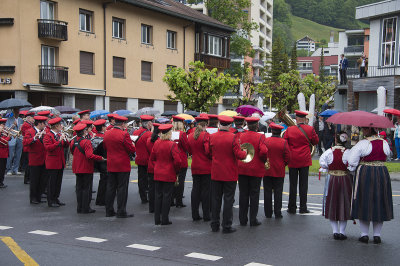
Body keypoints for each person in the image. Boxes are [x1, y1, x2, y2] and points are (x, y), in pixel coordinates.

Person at [347, 127, 393, 244]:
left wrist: (352, 168)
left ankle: (364, 234)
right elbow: (388, 155)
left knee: (364, 201)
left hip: (366, 172)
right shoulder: (384, 142)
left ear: (368, 130)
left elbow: (352, 161)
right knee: (380, 202)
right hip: (382, 172)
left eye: (364, 129)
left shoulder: (363, 143)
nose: (363, 131)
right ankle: (377, 235)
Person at [205, 115, 247, 233]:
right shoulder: (233, 137)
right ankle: (226, 225)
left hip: (216, 172)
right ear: (229, 126)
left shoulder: (212, 137)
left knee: (216, 199)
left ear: (219, 124)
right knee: (228, 200)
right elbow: (239, 155)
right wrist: (245, 152)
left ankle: (214, 224)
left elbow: (208, 153)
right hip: (229, 173)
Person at [284, 110, 319, 214]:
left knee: (292, 185)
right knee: (304, 185)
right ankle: (303, 208)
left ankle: (292, 208)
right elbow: (316, 141)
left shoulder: (290, 129)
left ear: (296, 118)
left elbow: (285, 143)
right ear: (304, 119)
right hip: (304, 159)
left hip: (293, 159)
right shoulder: (310, 128)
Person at [319, 132, 352, 240]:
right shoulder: (348, 152)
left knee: (332, 203)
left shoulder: (329, 151)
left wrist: (329, 168)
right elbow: (352, 165)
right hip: (344, 179)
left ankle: (335, 231)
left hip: (332, 179)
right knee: (344, 203)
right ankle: (342, 232)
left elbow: (322, 163)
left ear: (336, 140)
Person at [237, 117, 268, 226]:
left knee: (243, 194)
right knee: (254, 195)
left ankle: (242, 219)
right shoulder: (260, 136)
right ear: (257, 126)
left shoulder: (241, 135)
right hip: (255, 169)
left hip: (242, 167)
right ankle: (253, 219)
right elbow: (264, 151)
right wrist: (263, 160)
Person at [103, 115, 136, 218]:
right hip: (122, 164)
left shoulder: (107, 133)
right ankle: (121, 211)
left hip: (111, 163)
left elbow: (105, 146)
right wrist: (133, 145)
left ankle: (109, 210)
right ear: (122, 124)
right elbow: (131, 149)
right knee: (122, 188)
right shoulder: (124, 134)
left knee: (110, 188)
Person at [150, 124, 181, 225]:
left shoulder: (156, 143)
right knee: (167, 197)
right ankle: (164, 219)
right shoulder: (172, 144)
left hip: (158, 172)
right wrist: (176, 171)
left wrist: (157, 166)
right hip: (168, 173)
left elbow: (152, 158)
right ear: (169, 133)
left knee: (158, 196)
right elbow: (177, 161)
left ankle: (157, 219)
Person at [70, 123, 104, 214]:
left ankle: (79, 207)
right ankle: (85, 207)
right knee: (86, 188)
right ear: (84, 131)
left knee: (79, 188)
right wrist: (100, 158)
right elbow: (89, 156)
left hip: (77, 166)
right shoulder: (86, 142)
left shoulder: (73, 141)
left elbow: (72, 152)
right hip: (86, 167)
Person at [264, 123, 291, 219]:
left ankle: (268, 213)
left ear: (272, 131)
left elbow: (262, 154)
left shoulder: (266, 141)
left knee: (267, 192)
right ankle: (277, 212)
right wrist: (283, 164)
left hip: (267, 170)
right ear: (280, 132)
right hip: (279, 170)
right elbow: (288, 157)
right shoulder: (284, 142)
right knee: (278, 192)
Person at [187, 116, 211, 222]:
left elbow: (189, 151)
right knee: (206, 191)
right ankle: (206, 215)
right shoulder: (206, 135)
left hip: (195, 165)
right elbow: (208, 151)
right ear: (206, 124)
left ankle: (194, 214)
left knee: (195, 190)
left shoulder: (191, 136)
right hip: (206, 166)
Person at [43, 117, 69, 207]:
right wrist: (59, 141)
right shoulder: (48, 135)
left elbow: (65, 146)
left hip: (60, 162)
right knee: (52, 183)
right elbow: (48, 148)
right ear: (56, 126)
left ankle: (56, 198)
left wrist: (65, 140)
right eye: (60, 125)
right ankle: (51, 200)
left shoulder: (59, 134)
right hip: (52, 163)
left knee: (58, 182)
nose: (62, 126)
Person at [24, 116, 47, 204]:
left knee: (42, 179)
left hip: (44, 159)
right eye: (44, 123)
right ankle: (33, 198)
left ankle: (39, 196)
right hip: (34, 159)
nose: (45, 125)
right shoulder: (29, 131)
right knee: (34, 180)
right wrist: (34, 138)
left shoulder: (44, 132)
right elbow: (25, 142)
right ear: (40, 124)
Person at [132, 115, 154, 204]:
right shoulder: (149, 134)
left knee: (141, 179)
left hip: (139, 158)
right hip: (147, 159)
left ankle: (143, 196)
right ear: (148, 124)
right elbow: (151, 148)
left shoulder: (136, 132)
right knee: (149, 179)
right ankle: (147, 195)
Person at [171, 115, 189, 208]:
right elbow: (186, 147)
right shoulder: (182, 134)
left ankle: (171, 199)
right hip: (181, 158)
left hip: (171, 159)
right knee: (180, 181)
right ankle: (179, 201)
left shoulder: (170, 132)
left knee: (171, 180)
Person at [146, 123, 161, 213]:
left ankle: (151, 207)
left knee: (151, 189)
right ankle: (157, 207)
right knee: (158, 189)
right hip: (158, 166)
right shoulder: (159, 141)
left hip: (150, 165)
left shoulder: (149, 140)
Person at [93, 119, 108, 206]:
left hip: (98, 161)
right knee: (105, 181)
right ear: (102, 127)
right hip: (104, 161)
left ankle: (100, 199)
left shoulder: (94, 137)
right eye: (105, 126)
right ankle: (102, 200)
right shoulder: (104, 137)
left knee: (102, 180)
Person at [5, 108, 24, 175]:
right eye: (16, 111)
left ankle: (15, 169)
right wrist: (13, 125)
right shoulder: (9, 119)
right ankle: (9, 169)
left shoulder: (21, 120)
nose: (17, 112)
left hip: (19, 138)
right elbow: (6, 129)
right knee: (10, 155)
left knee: (18, 155)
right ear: (13, 112)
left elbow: (22, 129)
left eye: (18, 111)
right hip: (12, 138)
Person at [21, 111, 35, 184]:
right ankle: (27, 178)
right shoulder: (26, 125)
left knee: (29, 163)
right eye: (32, 118)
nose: (34, 119)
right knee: (28, 164)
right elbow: (29, 135)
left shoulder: (30, 124)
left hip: (29, 146)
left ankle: (29, 178)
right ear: (28, 118)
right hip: (27, 146)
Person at [0, 119, 11, 188]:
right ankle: (0, 182)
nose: (4, 126)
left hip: (4, 152)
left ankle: (1, 181)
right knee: (1, 169)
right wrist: (8, 136)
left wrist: (8, 135)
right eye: (3, 124)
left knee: (3, 169)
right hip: (1, 153)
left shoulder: (3, 132)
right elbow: (3, 141)